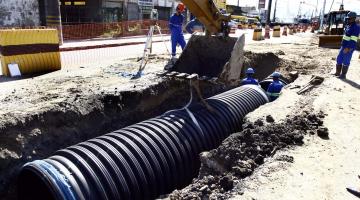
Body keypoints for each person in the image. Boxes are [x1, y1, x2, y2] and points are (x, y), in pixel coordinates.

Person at [334, 11, 360, 79]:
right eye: (348, 18)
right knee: (339, 58)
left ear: (354, 18)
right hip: (344, 46)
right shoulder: (348, 25)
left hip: (349, 47)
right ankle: (337, 73)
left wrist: (348, 48)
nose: (348, 19)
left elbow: (353, 39)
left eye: (350, 18)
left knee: (346, 61)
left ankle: (343, 75)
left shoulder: (356, 27)